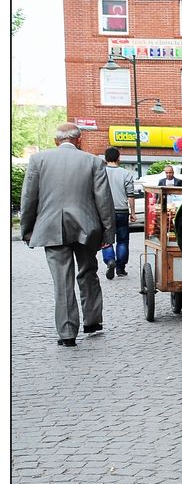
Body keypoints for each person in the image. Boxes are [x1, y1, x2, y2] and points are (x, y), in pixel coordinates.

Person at [20, 123, 114, 346]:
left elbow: (28, 198)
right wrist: (107, 233)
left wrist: (27, 230)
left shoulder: (38, 160)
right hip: (86, 226)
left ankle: (67, 333)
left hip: (51, 227)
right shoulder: (93, 161)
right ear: (79, 140)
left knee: (61, 281)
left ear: (56, 141)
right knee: (88, 272)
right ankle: (92, 321)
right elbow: (103, 201)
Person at [100, 147, 137, 278]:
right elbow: (131, 195)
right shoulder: (126, 174)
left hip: (104, 211)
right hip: (122, 211)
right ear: (118, 158)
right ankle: (121, 268)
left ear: (105, 159)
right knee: (122, 240)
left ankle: (110, 260)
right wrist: (133, 213)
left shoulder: (100, 172)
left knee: (106, 239)